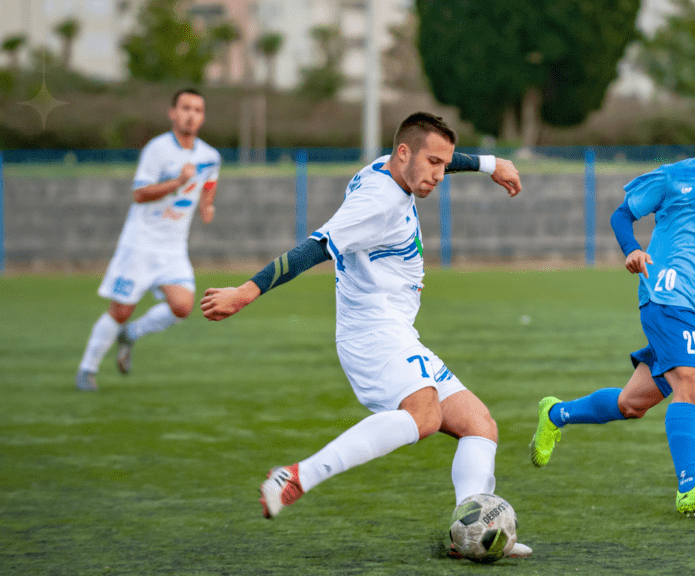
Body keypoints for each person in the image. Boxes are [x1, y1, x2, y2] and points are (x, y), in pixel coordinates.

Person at [199, 112, 532, 557]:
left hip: (396, 330)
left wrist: (490, 164)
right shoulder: (377, 201)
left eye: (442, 165)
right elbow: (313, 249)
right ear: (403, 153)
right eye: (432, 163)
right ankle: (298, 475)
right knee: (425, 418)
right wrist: (246, 291)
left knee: (479, 426)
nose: (438, 174)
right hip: (372, 332)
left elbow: (437, 157)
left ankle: (465, 533)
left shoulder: (394, 166)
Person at [528, 90, 695, 517]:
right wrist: (632, 249)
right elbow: (622, 213)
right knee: (691, 383)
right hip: (665, 294)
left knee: (632, 404)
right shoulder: (673, 177)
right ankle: (689, 485)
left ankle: (557, 414)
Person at [76, 88, 220, 391]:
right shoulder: (157, 150)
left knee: (182, 307)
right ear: (172, 113)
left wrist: (207, 205)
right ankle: (87, 370)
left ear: (202, 117)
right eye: (185, 108)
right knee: (121, 309)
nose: (191, 115)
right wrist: (178, 182)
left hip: (173, 248)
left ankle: (131, 334)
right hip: (140, 244)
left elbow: (209, 182)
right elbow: (139, 194)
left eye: (197, 110)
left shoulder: (210, 156)